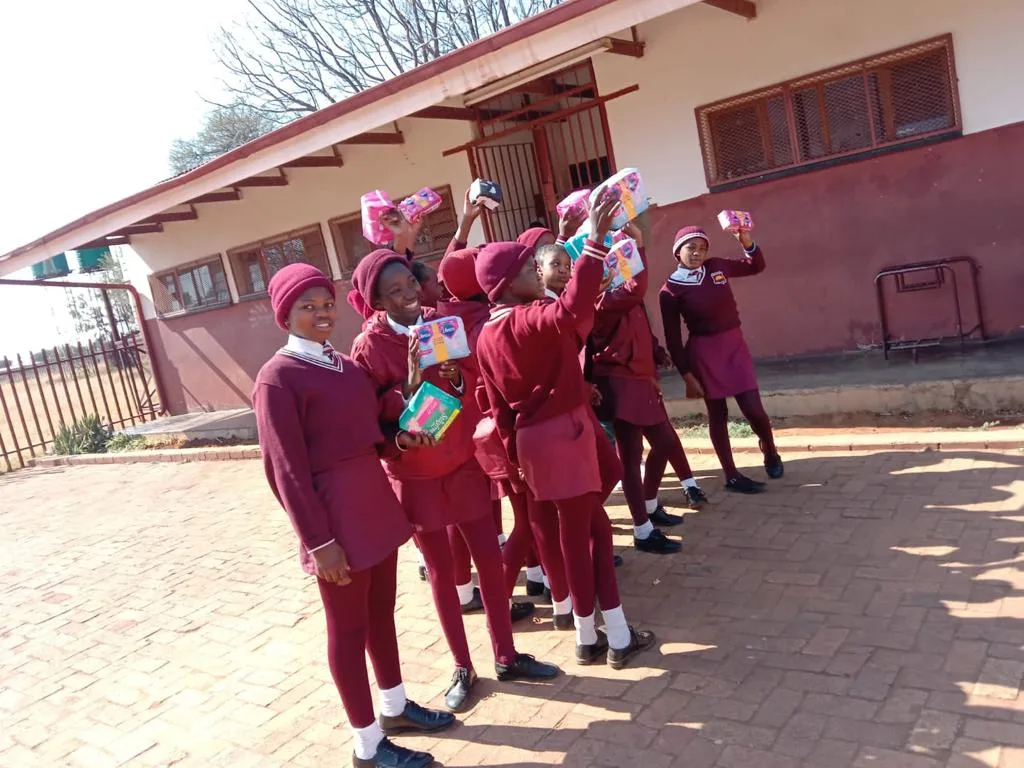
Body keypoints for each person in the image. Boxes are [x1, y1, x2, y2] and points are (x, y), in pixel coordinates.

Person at [252, 263, 454, 768]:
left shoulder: (342, 365)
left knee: (381, 614)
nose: (321, 314)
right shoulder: (277, 379)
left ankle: (394, 708)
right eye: (307, 306)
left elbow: (374, 429)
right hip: (335, 519)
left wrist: (400, 439)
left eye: (325, 304)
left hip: (372, 504)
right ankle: (366, 746)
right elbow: (285, 470)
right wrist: (319, 543)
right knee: (347, 631)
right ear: (285, 314)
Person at [348, 250, 560, 713]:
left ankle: (506, 653)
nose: (408, 297)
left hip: (462, 458)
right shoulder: (368, 346)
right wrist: (406, 384)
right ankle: (463, 667)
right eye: (394, 292)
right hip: (417, 471)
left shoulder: (441, 323)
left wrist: (455, 378)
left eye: (409, 284)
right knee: (443, 572)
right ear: (377, 301)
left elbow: (471, 376)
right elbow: (374, 414)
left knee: (488, 556)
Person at [474, 198, 655, 670]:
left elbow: (497, 408)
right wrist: (594, 241)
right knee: (583, 539)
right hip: (565, 435)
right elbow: (573, 309)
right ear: (507, 284)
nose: (538, 273)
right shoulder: (526, 319)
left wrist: (515, 459)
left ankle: (592, 634)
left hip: (535, 443)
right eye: (527, 269)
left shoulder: (486, 335)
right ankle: (609, 637)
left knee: (589, 530)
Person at [437, 246, 573, 630]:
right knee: (529, 522)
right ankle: (507, 594)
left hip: (492, 433)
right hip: (506, 431)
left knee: (529, 520)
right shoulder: (490, 321)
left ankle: (541, 581)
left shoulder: (447, 320)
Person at [589, 222, 708, 554]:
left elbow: (639, 321)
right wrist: (638, 245)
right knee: (629, 456)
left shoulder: (625, 295)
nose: (620, 266)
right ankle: (642, 530)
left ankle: (650, 505)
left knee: (663, 443)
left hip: (640, 379)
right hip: (620, 382)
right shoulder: (601, 300)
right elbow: (635, 292)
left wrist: (654, 349)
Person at [659, 226, 783, 493]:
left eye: (702, 248)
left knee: (754, 410)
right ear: (677, 251)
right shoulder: (670, 290)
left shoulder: (716, 267)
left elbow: (755, 266)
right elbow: (673, 339)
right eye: (691, 248)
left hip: (734, 346)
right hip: (705, 352)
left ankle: (770, 450)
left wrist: (746, 242)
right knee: (718, 414)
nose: (697, 253)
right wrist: (687, 376)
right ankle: (731, 474)